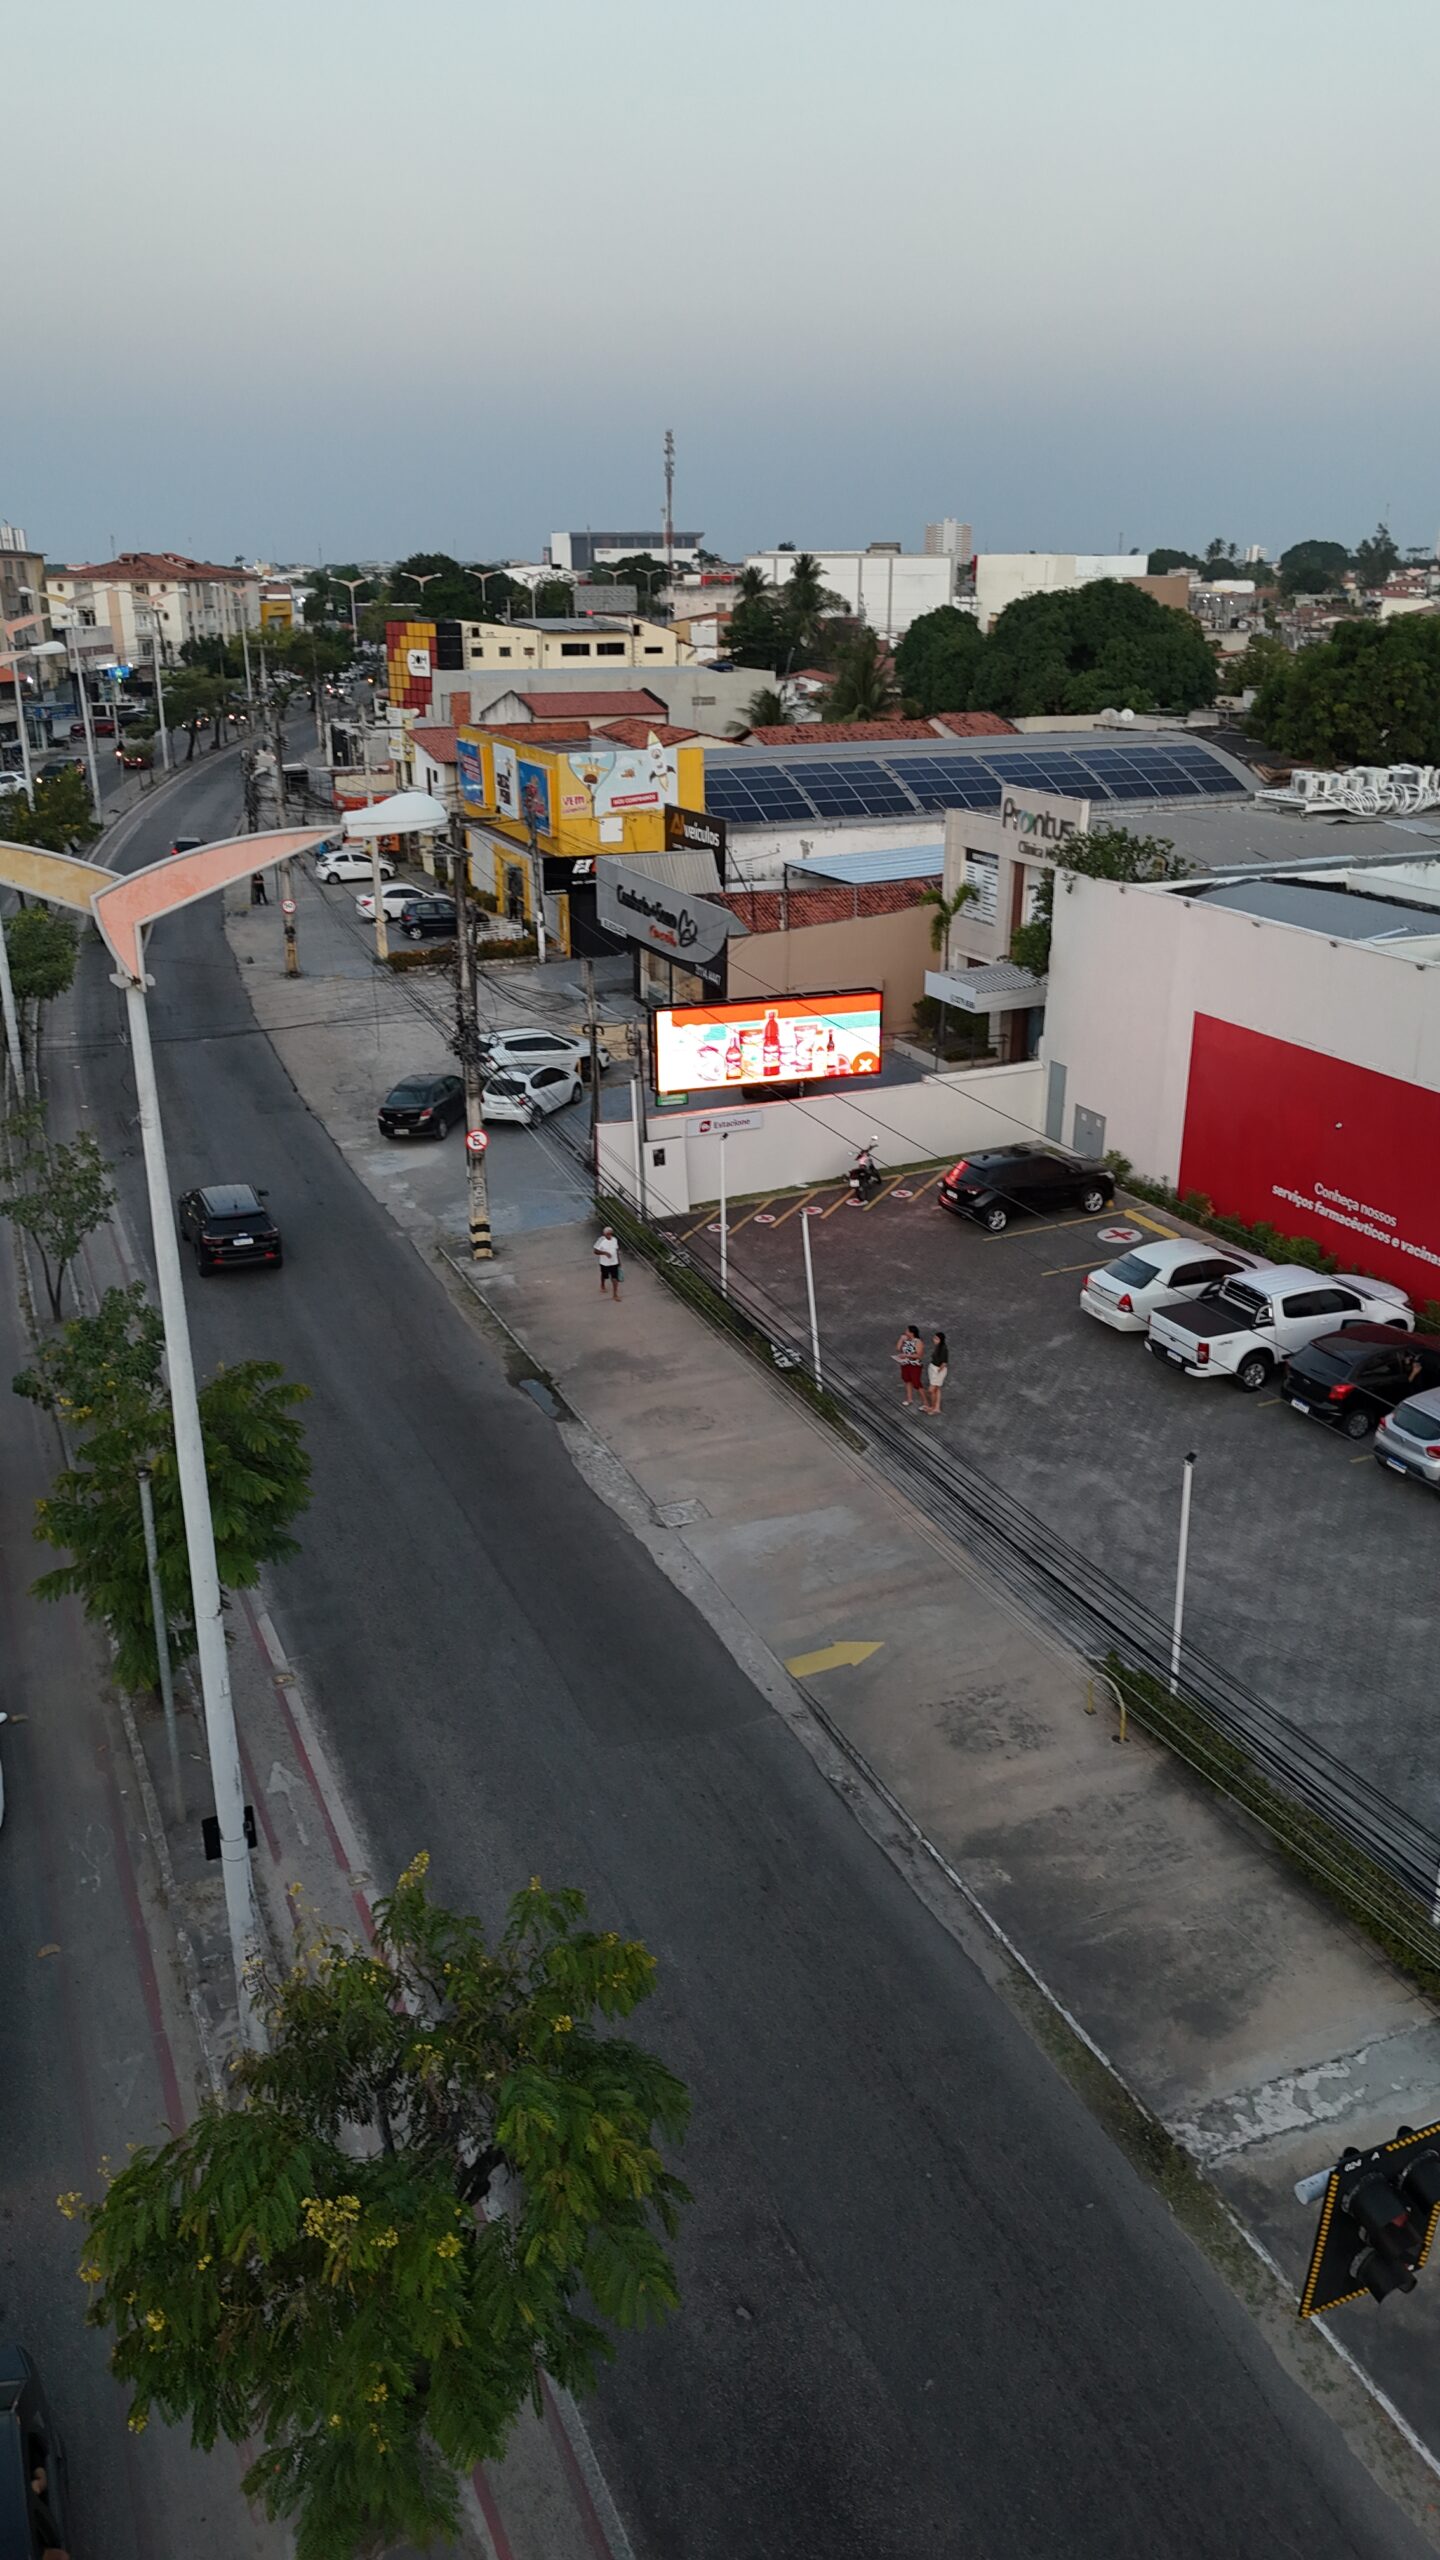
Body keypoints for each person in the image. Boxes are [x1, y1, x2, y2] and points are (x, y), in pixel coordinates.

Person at [894, 1321, 924, 1408]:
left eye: (907, 1331)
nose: (905, 1332)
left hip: (914, 1364)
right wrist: (901, 1339)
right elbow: (898, 1348)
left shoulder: (917, 1342)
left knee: (916, 1383)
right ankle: (909, 1398)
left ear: (911, 1333)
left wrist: (906, 1355)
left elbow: (919, 1355)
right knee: (907, 1380)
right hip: (905, 1363)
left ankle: (924, 1402)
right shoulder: (906, 1340)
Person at [923, 1330, 949, 1415]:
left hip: (938, 1370)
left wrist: (938, 1372)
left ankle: (933, 1407)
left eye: (936, 1338)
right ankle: (936, 1407)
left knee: (931, 1390)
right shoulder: (938, 1346)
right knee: (937, 1389)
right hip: (934, 1368)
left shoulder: (943, 1348)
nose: (934, 1340)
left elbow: (944, 1363)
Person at [594, 1225, 622, 1300]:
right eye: (608, 1234)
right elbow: (595, 1251)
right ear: (604, 1234)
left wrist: (619, 1261)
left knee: (615, 1278)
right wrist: (605, 1253)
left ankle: (615, 1294)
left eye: (610, 1233)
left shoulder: (614, 1240)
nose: (609, 1235)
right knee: (604, 1275)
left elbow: (616, 1251)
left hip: (614, 1262)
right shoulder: (601, 1240)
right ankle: (602, 1285)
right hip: (605, 1263)